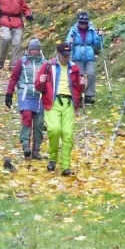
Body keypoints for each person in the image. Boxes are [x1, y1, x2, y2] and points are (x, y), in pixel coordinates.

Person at [35, 42, 83, 176]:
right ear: (58, 53)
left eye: (68, 55)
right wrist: (41, 81)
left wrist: (82, 85)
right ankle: (53, 158)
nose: (66, 58)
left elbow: (78, 90)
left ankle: (65, 167)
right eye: (64, 55)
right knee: (54, 130)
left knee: (68, 134)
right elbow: (38, 86)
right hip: (53, 102)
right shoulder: (48, 66)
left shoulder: (74, 68)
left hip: (68, 103)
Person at [4, 39, 46, 159]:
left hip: (39, 96)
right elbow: (14, 77)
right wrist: (9, 93)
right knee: (27, 116)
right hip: (25, 94)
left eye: (37, 50)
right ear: (28, 50)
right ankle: (25, 145)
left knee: (39, 123)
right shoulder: (22, 61)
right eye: (33, 49)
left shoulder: (45, 63)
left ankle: (36, 150)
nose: (35, 52)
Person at [66, 11, 103, 105]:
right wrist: (70, 42)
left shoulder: (91, 30)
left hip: (89, 55)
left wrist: (99, 37)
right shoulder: (73, 30)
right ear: (78, 22)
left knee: (91, 73)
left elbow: (97, 44)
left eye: (85, 23)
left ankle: (89, 95)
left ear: (87, 22)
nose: (83, 25)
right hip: (77, 56)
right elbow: (67, 43)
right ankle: (78, 95)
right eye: (81, 23)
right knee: (80, 75)